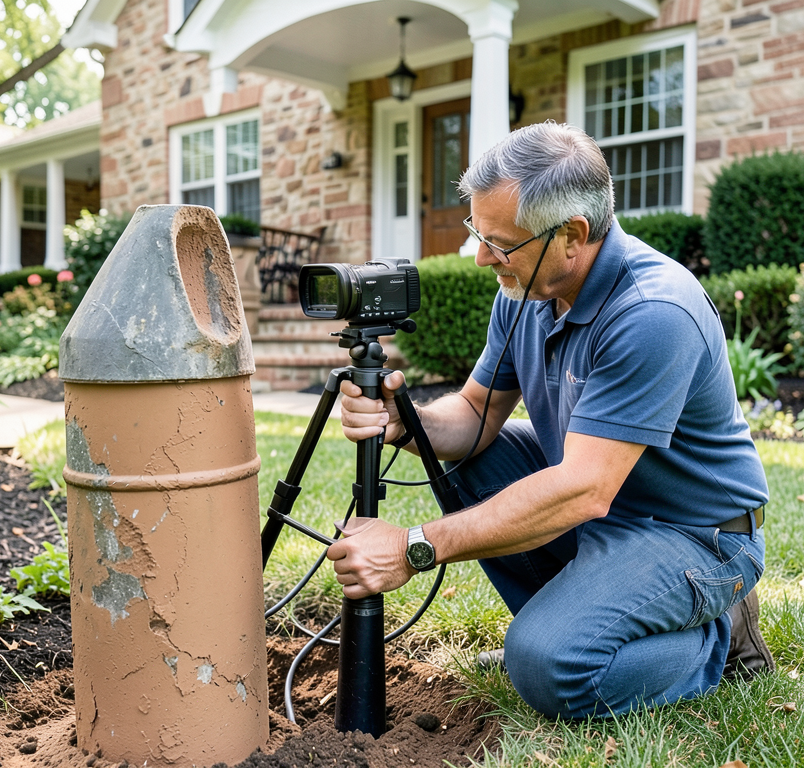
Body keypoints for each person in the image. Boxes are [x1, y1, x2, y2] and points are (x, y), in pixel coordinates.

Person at [328, 121, 775, 719]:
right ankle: (568, 621)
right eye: (477, 233)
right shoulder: (524, 291)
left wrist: (412, 547)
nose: (483, 257)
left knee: (547, 669)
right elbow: (472, 417)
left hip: (693, 532)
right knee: (471, 459)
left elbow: (583, 490)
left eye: (501, 244)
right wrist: (404, 422)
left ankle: (713, 642)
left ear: (572, 235)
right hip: (603, 507)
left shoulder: (653, 310)